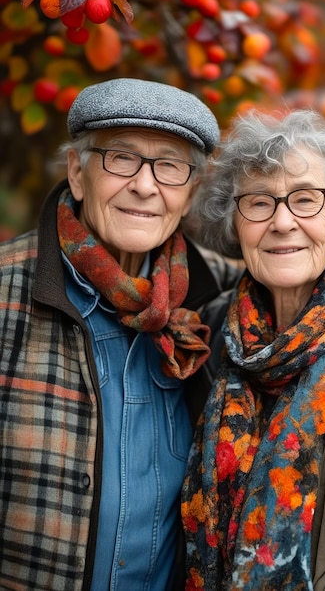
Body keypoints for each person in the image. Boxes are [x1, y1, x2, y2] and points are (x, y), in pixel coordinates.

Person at [0, 77, 240, 591]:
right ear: (77, 173)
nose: (146, 186)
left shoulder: (219, 299)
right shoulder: (5, 295)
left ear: (190, 193)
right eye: (121, 158)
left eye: (170, 166)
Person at [182, 108, 325, 591]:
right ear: (236, 223)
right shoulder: (208, 336)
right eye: (259, 203)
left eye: (306, 200)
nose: (282, 222)